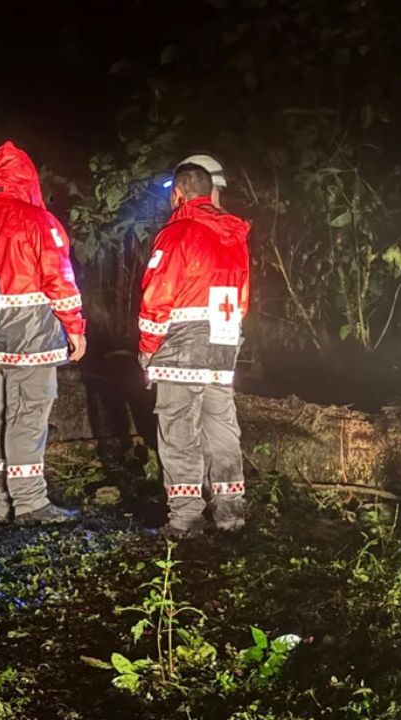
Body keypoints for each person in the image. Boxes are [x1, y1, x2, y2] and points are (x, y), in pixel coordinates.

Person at [0, 141, 87, 525]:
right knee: (28, 414)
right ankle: (30, 504)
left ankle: (0, 502)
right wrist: (75, 328)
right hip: (31, 339)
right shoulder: (39, 221)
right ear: (28, 178)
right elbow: (60, 280)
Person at [138, 162, 251, 539]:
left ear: (178, 194)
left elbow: (156, 297)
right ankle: (231, 511)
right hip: (224, 342)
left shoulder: (176, 233)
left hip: (180, 347)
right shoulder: (234, 234)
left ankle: (186, 517)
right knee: (221, 425)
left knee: (178, 427)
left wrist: (148, 348)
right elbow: (244, 298)